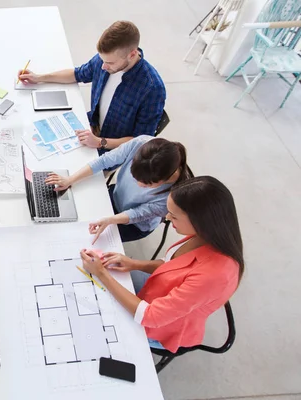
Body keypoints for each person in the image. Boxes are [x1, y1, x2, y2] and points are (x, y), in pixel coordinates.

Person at [80, 176, 244, 352]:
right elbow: (170, 266)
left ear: (200, 221)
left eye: (173, 216)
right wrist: (134, 263)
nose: (166, 217)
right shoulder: (204, 235)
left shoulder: (215, 275)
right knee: (101, 286)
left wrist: (101, 274)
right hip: (157, 290)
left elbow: (150, 316)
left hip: (162, 327)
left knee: (95, 325)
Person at [18, 21, 166, 154]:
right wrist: (39, 78)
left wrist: (100, 142)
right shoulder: (107, 59)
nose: (103, 66)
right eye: (102, 59)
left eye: (110, 63)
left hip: (112, 149)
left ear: (132, 54)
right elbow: (77, 74)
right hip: (91, 127)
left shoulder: (152, 89)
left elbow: (140, 141)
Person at [45, 135, 191, 242]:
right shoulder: (141, 144)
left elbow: (137, 214)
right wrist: (70, 180)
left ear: (164, 179)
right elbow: (105, 160)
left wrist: (109, 220)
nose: (138, 185)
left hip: (134, 224)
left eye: (146, 184)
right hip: (115, 195)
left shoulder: (172, 196)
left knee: (84, 240)